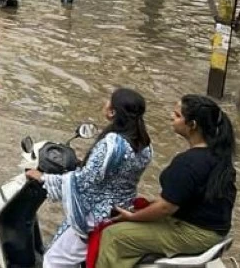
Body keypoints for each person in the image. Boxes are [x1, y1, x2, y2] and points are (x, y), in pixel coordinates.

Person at [95, 95, 236, 268]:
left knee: (113, 235)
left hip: (193, 233)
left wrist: (133, 216)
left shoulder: (188, 162)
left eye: (177, 115)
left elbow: (165, 208)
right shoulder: (219, 155)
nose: (171, 117)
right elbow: (189, 197)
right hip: (213, 231)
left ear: (192, 125)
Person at [25, 88, 154, 268]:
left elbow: (84, 181)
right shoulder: (145, 144)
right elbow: (115, 174)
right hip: (122, 207)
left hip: (96, 214)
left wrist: (45, 178)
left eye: (109, 100)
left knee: (54, 260)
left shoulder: (112, 144)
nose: (105, 102)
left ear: (113, 112)